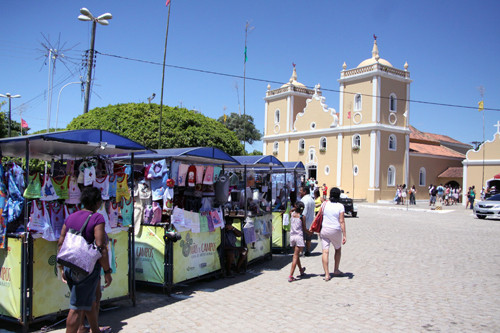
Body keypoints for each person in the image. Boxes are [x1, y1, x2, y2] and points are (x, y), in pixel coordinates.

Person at [57, 187, 113, 333]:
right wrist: (107, 271)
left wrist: (62, 268)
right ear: (97, 202)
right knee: (76, 308)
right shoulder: (97, 218)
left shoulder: (71, 217)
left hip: (70, 265)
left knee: (89, 301)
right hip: (85, 269)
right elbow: (101, 246)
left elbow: (60, 243)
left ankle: (93, 330)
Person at [311, 187, 346, 281]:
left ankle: (327, 274)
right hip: (335, 230)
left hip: (324, 230)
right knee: (337, 249)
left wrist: (312, 227)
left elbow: (318, 216)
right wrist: (344, 235)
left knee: (325, 251)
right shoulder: (340, 206)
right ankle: (336, 269)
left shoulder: (324, 204)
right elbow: (342, 221)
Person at [288, 201, 310, 282]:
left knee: (296, 255)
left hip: (292, 237)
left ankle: (301, 270)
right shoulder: (302, 217)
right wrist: (310, 232)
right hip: (299, 237)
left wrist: (295, 207)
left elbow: (290, 210)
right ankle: (291, 275)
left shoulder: (292, 214)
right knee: (295, 256)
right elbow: (304, 229)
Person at [299, 186, 315, 256]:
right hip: (311, 222)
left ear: (304, 192)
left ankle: (301, 252)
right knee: (308, 238)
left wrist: (303, 225)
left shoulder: (304, 200)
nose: (300, 192)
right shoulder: (312, 199)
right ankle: (308, 250)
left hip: (305, 222)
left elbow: (303, 214)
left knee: (302, 238)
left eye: (301, 191)